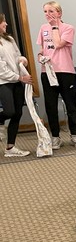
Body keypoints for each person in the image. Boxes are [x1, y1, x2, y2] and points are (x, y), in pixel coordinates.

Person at [37, 0, 76, 150]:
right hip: (48, 72)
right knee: (51, 106)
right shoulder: (43, 28)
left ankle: (74, 136)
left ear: (59, 13)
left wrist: (55, 27)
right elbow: (43, 49)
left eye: (51, 11)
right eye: (45, 11)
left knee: (70, 105)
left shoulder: (68, 28)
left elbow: (58, 44)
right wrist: (40, 57)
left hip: (65, 71)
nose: (48, 15)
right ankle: (56, 137)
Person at [0, 13, 32, 157]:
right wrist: (19, 77)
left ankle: (10, 148)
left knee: (18, 113)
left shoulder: (10, 39)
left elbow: (17, 55)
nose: (6, 24)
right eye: (3, 22)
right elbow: (1, 71)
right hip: (4, 82)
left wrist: (22, 60)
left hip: (17, 81)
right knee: (9, 111)